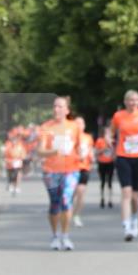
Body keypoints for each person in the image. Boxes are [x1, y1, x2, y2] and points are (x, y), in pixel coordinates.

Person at [37, 96, 82, 251]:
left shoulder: (74, 127)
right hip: (51, 171)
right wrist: (54, 151)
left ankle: (65, 236)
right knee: (55, 204)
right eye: (55, 106)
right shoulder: (46, 127)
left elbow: (79, 146)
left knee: (66, 199)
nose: (57, 109)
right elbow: (40, 151)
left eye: (60, 106)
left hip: (71, 169)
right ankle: (55, 235)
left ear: (67, 110)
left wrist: (82, 153)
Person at [110, 90, 138, 240]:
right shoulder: (118, 116)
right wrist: (109, 142)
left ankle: (135, 218)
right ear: (125, 101)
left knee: (135, 197)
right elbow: (110, 134)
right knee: (126, 192)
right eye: (130, 100)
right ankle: (126, 226)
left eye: (135, 100)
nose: (133, 103)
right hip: (123, 156)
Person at [72, 116, 94, 227]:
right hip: (71, 168)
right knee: (71, 193)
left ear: (84, 125)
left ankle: (76, 215)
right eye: (77, 123)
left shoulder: (88, 137)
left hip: (84, 168)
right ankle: (67, 212)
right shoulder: (70, 137)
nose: (79, 125)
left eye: (81, 123)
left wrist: (91, 157)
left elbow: (90, 151)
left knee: (80, 192)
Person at [94, 126, 115, 208]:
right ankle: (102, 198)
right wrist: (104, 148)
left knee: (110, 181)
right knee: (102, 181)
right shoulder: (100, 141)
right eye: (106, 132)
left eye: (109, 132)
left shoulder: (113, 142)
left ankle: (110, 199)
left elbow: (115, 153)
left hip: (110, 163)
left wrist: (111, 146)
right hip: (102, 163)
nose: (107, 134)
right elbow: (96, 152)